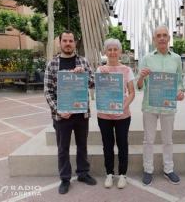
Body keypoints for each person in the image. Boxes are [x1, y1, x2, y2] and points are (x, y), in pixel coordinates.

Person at [44, 30, 97, 194]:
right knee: (63, 148)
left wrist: (85, 74)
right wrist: (58, 110)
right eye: (65, 41)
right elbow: (47, 91)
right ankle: (65, 179)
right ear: (60, 43)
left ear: (75, 43)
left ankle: (83, 173)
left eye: (70, 41)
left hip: (81, 114)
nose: (68, 44)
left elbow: (94, 83)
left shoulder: (83, 62)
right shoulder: (52, 64)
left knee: (82, 146)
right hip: (62, 116)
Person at [136, 26, 185, 186]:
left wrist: (180, 91)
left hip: (168, 106)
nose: (162, 38)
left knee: (168, 140)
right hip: (150, 105)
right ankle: (148, 170)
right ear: (154, 39)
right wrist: (142, 78)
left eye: (165, 35)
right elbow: (139, 86)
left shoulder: (176, 58)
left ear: (169, 38)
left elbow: (179, 83)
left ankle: (168, 169)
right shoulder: (147, 58)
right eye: (159, 36)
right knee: (148, 140)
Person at [97, 39, 135, 189]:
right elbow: (97, 90)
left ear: (120, 52)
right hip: (104, 115)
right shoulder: (100, 70)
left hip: (123, 116)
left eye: (115, 49)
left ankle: (123, 175)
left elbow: (132, 93)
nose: (112, 52)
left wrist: (122, 108)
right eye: (109, 49)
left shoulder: (126, 70)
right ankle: (109, 174)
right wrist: (101, 74)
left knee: (122, 144)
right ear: (105, 52)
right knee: (107, 145)